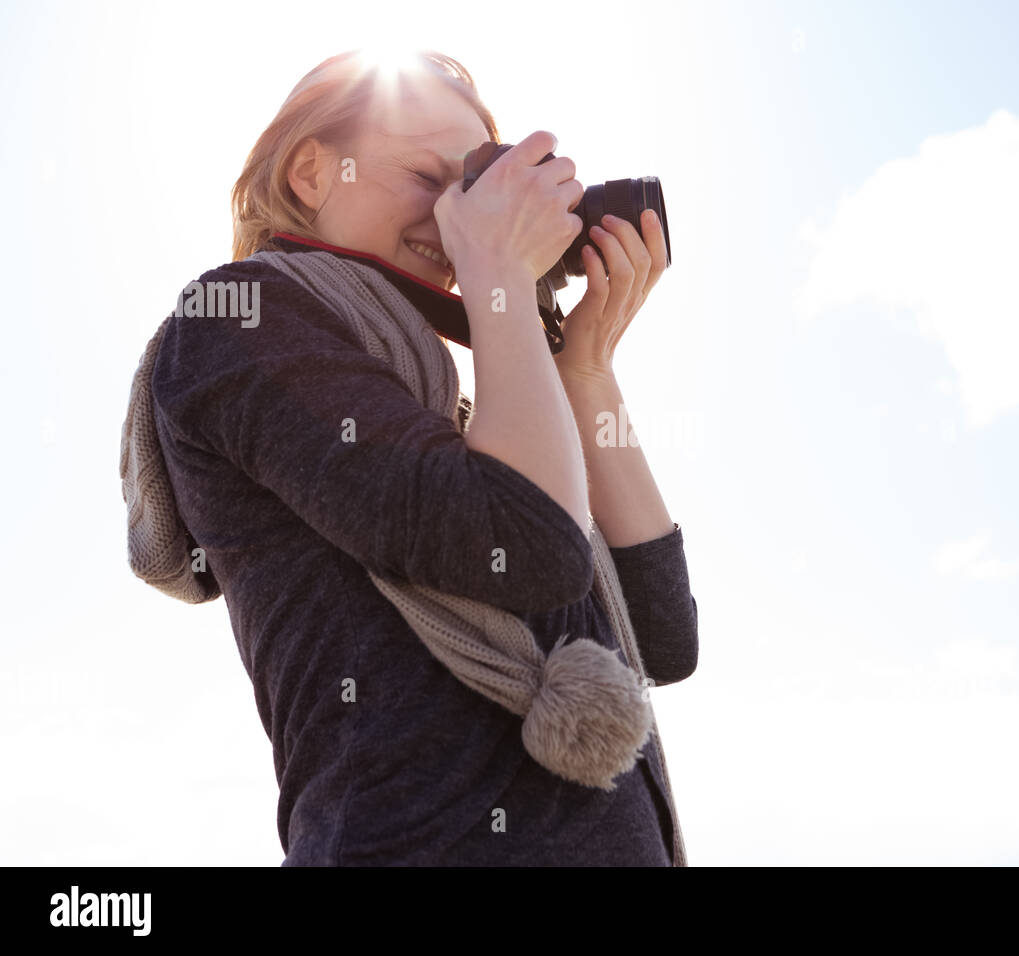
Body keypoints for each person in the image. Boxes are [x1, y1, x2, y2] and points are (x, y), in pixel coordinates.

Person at [148, 49, 699, 865]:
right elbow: (528, 549)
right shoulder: (239, 323)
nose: (454, 217)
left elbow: (662, 637)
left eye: (470, 186)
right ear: (311, 170)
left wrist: (581, 368)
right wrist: (500, 272)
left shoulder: (461, 420)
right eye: (425, 176)